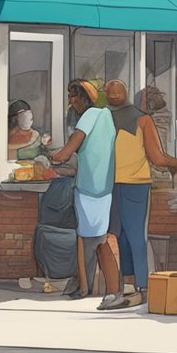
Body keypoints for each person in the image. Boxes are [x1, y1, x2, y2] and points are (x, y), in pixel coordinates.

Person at [105, 79, 177, 307]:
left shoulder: (103, 119)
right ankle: (142, 286)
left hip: (110, 184)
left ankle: (127, 284)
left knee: (118, 236)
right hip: (136, 184)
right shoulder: (143, 120)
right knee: (137, 235)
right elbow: (157, 157)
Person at [48, 80, 121, 309]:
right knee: (97, 238)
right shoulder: (108, 116)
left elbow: (72, 145)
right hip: (104, 185)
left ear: (85, 97)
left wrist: (55, 156)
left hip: (89, 187)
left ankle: (89, 288)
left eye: (73, 96)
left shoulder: (90, 115)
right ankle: (93, 286)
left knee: (90, 240)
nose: (71, 100)